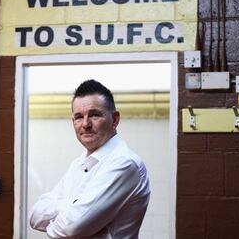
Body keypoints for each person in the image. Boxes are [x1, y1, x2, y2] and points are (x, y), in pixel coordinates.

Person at [29, 79, 150, 239]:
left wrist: (63, 220)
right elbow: (34, 216)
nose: (85, 124)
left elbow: (70, 228)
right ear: (73, 122)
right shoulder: (78, 163)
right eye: (79, 117)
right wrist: (72, 205)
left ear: (114, 119)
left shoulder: (124, 163)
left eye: (94, 115)